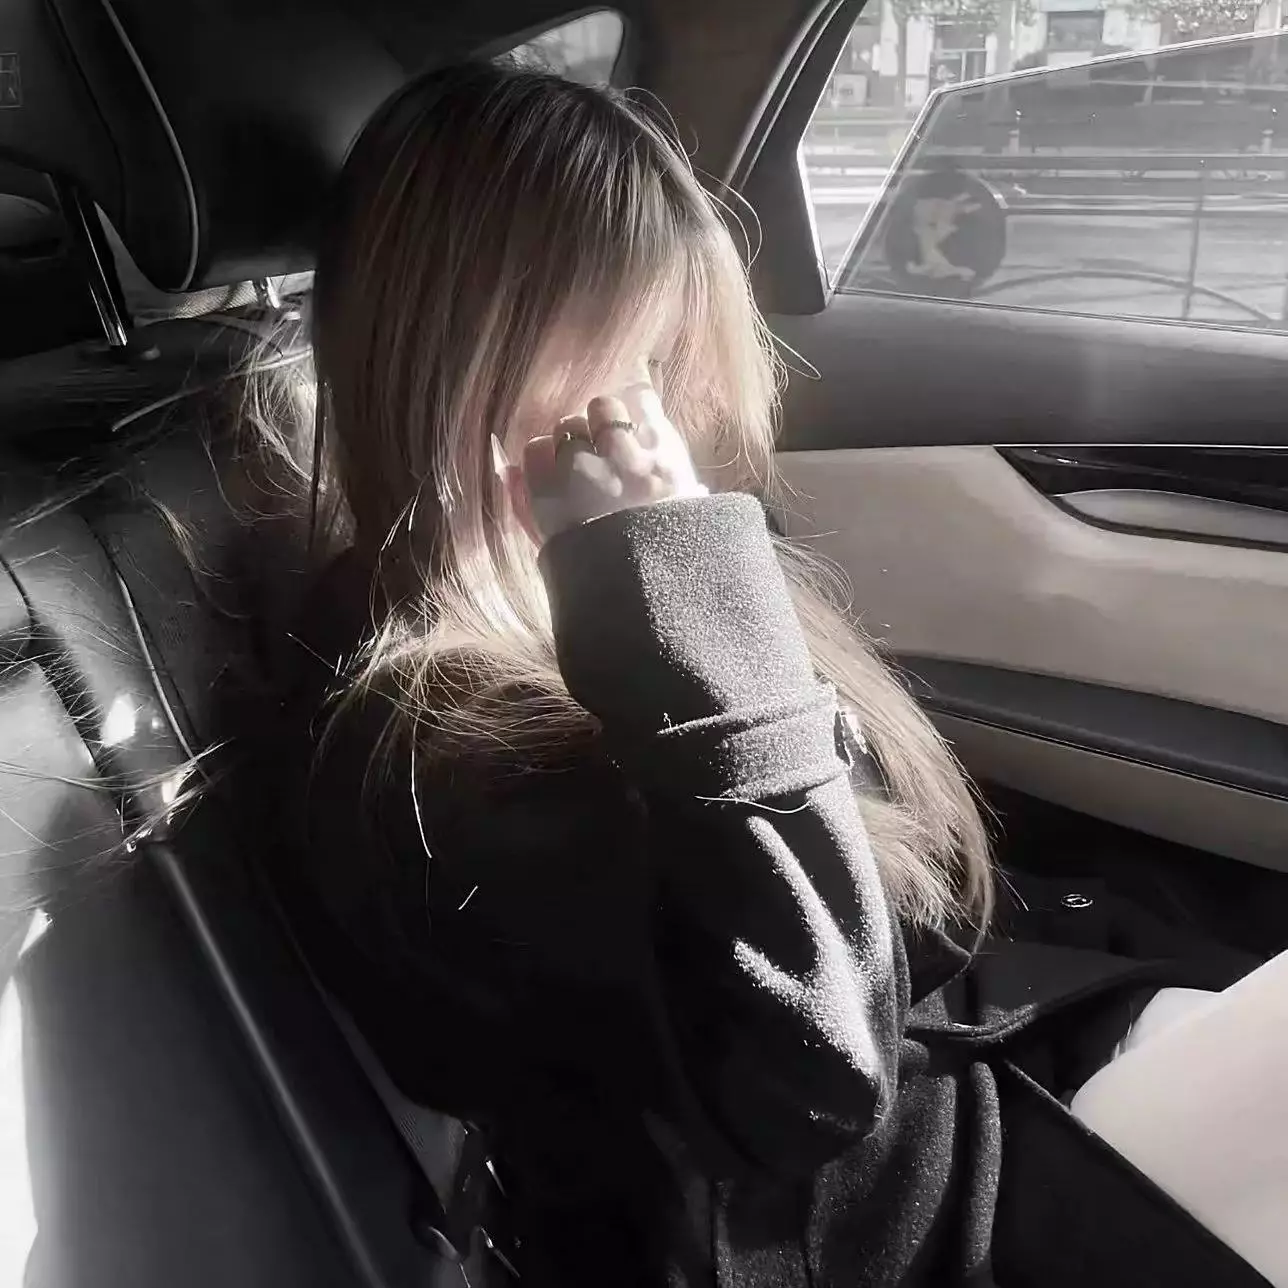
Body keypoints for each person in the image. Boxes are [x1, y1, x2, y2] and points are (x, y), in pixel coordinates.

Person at [244, 61, 1272, 1287]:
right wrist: (672, 582)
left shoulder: (578, 600)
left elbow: (909, 899)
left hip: (984, 1090)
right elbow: (811, 1079)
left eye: (659, 367)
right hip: (894, 1219)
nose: (650, 426)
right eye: (613, 364)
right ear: (464, 357)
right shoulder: (431, 740)